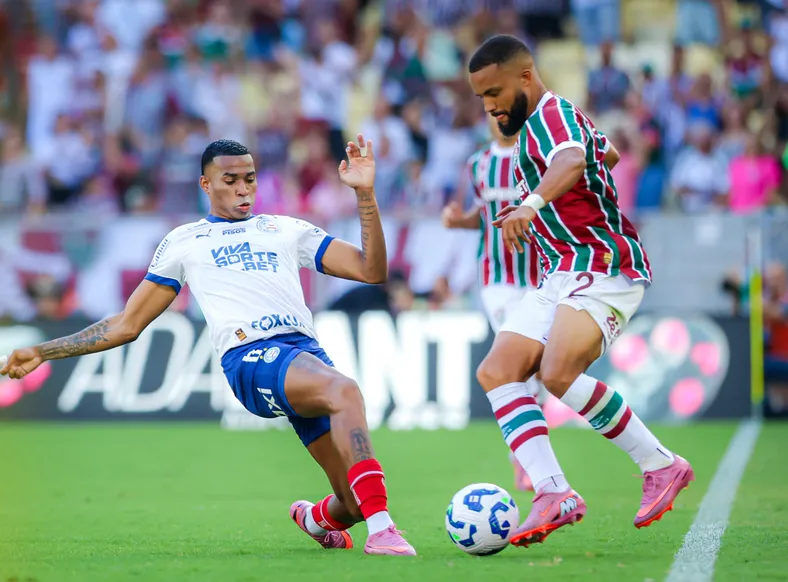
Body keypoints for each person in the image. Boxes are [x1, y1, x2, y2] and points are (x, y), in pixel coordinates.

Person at [0, 137, 416, 557]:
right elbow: (127, 324)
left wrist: (364, 193)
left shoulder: (286, 229)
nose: (242, 189)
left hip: (304, 358)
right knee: (345, 390)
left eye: (249, 179)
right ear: (205, 183)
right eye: (230, 180)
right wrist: (44, 351)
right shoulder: (186, 241)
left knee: (354, 501)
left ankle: (314, 518)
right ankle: (383, 531)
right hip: (250, 359)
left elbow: (371, 268)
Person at [467, 35, 694, 548]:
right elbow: (603, 153)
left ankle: (661, 465)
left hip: (602, 262)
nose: (490, 106)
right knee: (498, 371)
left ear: (525, 77)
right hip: (560, 269)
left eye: (495, 92)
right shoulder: (544, 123)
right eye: (481, 98)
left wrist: (532, 204)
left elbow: (571, 160)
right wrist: (583, 188)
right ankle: (552, 492)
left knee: (558, 372)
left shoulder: (549, 116)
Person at [441, 116, 541, 493]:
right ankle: (526, 462)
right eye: (488, 110)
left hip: (540, 278)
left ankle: (527, 456)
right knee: (519, 363)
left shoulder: (535, 158)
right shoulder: (477, 163)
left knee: (538, 373)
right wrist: (456, 222)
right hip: (497, 280)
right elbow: (481, 218)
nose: (496, 116)